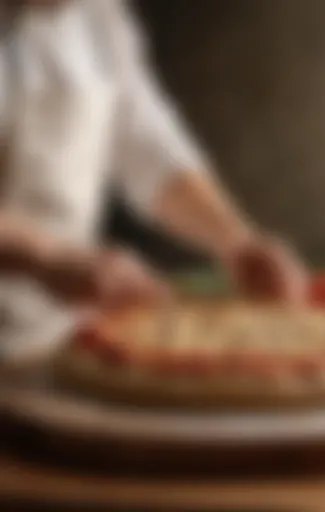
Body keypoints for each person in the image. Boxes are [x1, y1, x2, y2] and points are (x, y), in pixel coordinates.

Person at [0, 0, 308, 365]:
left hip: (58, 339)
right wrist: (47, 257)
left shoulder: (98, 16)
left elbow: (148, 146)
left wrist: (237, 242)